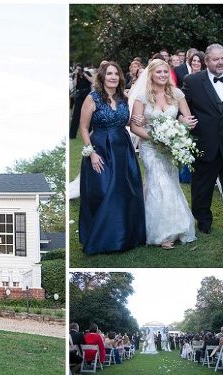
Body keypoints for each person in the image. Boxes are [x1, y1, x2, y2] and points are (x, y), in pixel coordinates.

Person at [129, 59, 198, 249]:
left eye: (165, 72)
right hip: (150, 147)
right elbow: (134, 126)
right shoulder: (142, 97)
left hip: (170, 147)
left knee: (171, 183)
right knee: (158, 184)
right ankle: (161, 234)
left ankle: (176, 227)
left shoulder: (176, 94)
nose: (162, 75)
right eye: (158, 72)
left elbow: (186, 116)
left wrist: (184, 125)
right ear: (151, 74)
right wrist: (155, 138)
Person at [78, 61, 146, 255]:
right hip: (100, 148)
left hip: (123, 150)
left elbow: (132, 121)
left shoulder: (123, 98)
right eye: (109, 74)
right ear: (102, 76)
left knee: (126, 192)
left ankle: (125, 237)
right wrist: (91, 153)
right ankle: (101, 238)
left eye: (116, 74)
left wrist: (140, 120)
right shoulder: (92, 98)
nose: (113, 77)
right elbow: (83, 127)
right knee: (102, 190)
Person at [183, 44, 223, 235]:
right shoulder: (192, 81)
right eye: (216, 59)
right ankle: (203, 222)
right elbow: (182, 109)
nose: (221, 62)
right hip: (204, 144)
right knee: (202, 187)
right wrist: (182, 119)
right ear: (206, 61)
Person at [70, 63, 94, 139]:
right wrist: (76, 75)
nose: (78, 70)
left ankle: (90, 132)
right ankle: (72, 134)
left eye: (79, 68)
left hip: (87, 94)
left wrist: (85, 75)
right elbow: (74, 85)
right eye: (77, 68)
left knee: (89, 113)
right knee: (76, 115)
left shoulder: (86, 73)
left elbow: (92, 81)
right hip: (79, 95)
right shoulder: (75, 75)